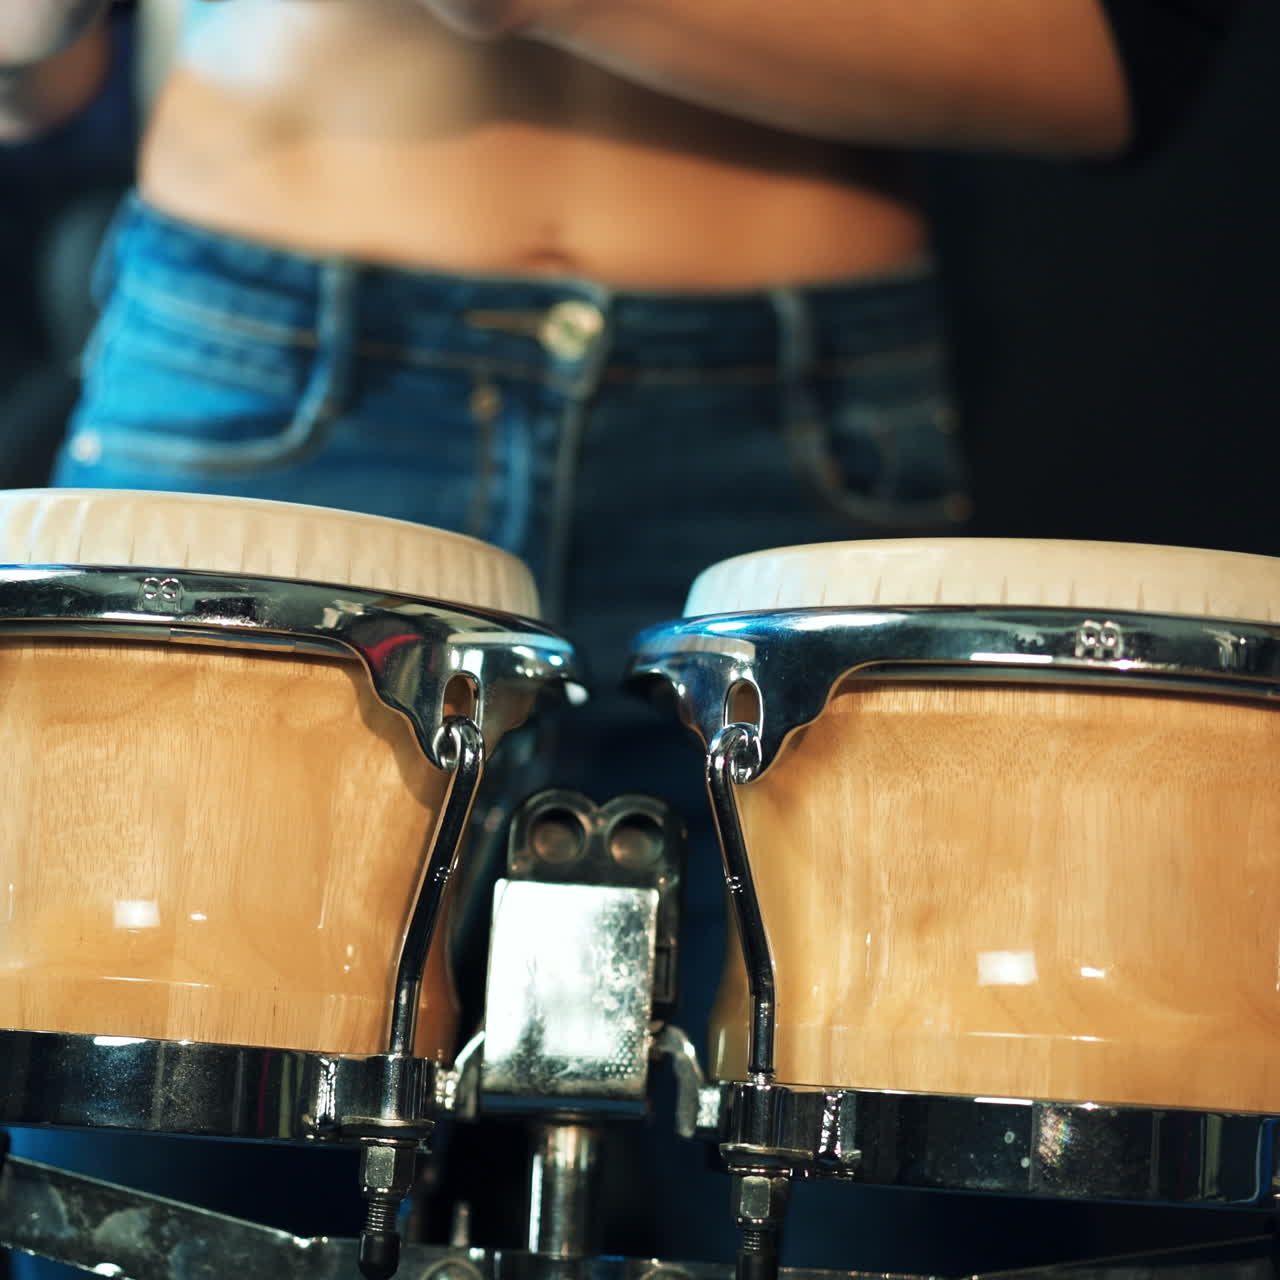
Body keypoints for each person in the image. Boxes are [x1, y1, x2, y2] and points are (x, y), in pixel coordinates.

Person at [0, 1, 1241, 1275]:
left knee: (889, 1208)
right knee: (130, 1222)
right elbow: (43, 70)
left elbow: (1116, 62)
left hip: (779, 431)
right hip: (265, 383)